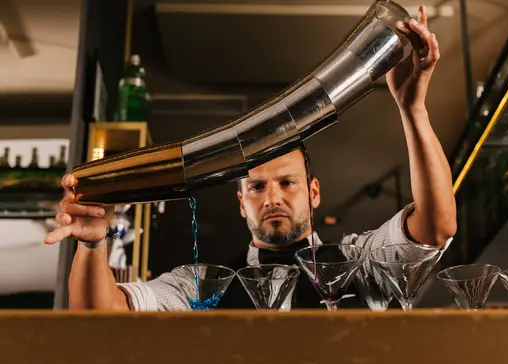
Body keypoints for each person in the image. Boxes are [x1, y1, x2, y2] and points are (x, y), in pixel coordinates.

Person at [44, 6, 457, 311]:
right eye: (256, 186)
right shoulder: (204, 286)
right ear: (241, 203)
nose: (272, 196)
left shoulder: (357, 263)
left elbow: (436, 227)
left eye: (287, 182)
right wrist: (92, 244)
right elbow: (100, 316)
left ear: (313, 192)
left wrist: (413, 109)